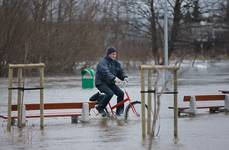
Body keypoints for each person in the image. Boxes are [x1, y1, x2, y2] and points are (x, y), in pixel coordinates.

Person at [95, 47, 128, 117]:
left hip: (110, 83)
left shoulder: (116, 63)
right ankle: (100, 107)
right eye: (113, 54)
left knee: (121, 94)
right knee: (110, 93)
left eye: (115, 54)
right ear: (108, 54)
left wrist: (125, 77)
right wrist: (114, 78)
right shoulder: (102, 62)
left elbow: (121, 72)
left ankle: (119, 112)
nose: (114, 56)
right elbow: (105, 72)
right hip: (101, 83)